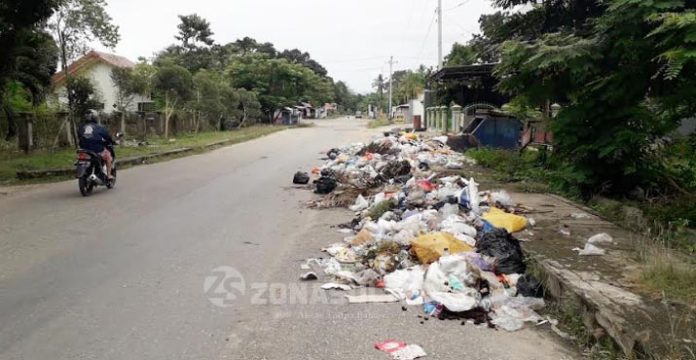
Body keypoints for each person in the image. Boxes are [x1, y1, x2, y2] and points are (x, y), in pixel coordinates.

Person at [78, 110, 115, 180]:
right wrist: (111, 142)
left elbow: (80, 136)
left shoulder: (81, 127)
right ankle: (109, 175)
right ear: (95, 117)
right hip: (97, 150)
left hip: (84, 150)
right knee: (109, 157)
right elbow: (107, 137)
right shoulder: (100, 127)